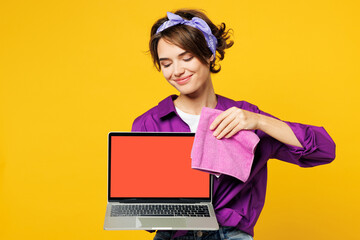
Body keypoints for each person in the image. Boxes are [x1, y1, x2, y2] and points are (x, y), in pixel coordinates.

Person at [131, 9, 336, 240]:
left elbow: (324, 151)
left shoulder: (244, 116)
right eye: (166, 64)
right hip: (174, 235)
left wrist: (260, 121)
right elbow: (144, 213)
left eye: (186, 58)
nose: (177, 71)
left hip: (230, 235)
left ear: (209, 55)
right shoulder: (149, 123)